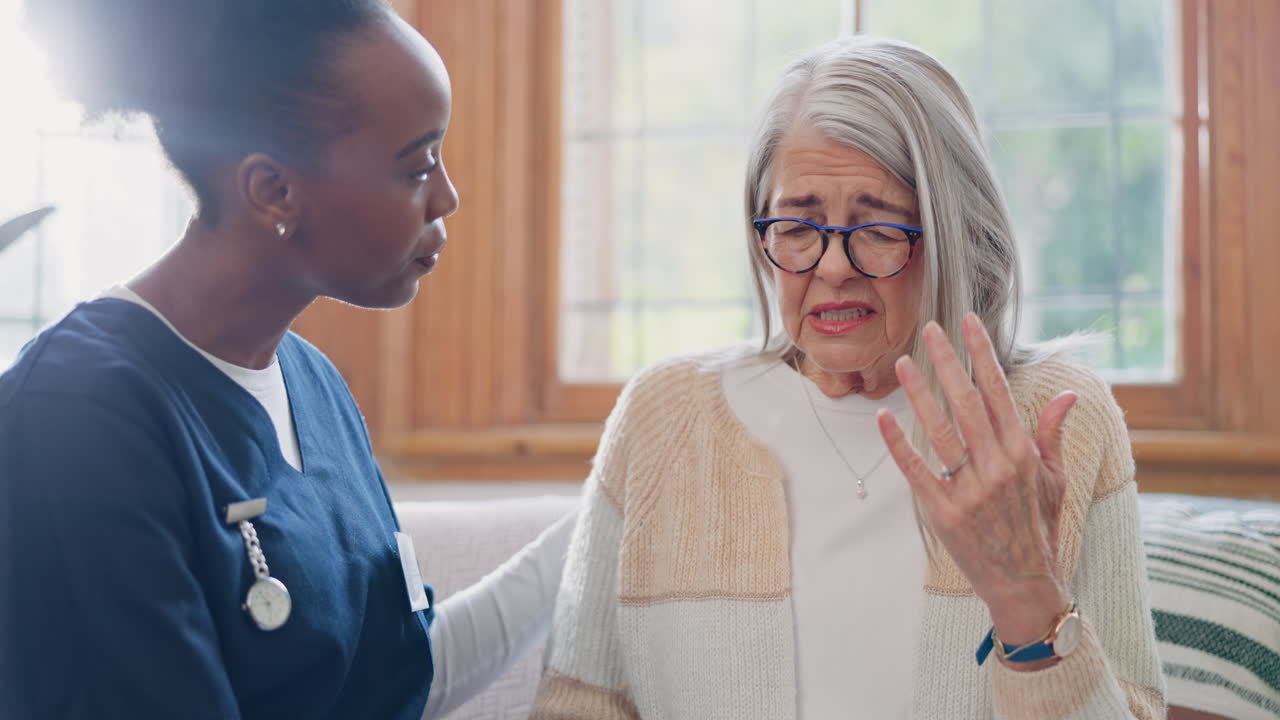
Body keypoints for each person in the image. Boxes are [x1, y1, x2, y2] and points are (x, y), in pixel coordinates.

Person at [532, 36, 1165, 720]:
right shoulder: (664, 415)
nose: (833, 267)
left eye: (880, 229)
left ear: (956, 233)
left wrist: (1029, 601)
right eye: (797, 226)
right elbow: (577, 705)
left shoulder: (1057, 424)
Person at [0, 2, 573, 718]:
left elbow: (398, 682)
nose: (448, 198)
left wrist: (603, 518)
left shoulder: (314, 386)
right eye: (417, 167)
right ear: (274, 190)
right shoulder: (74, 420)